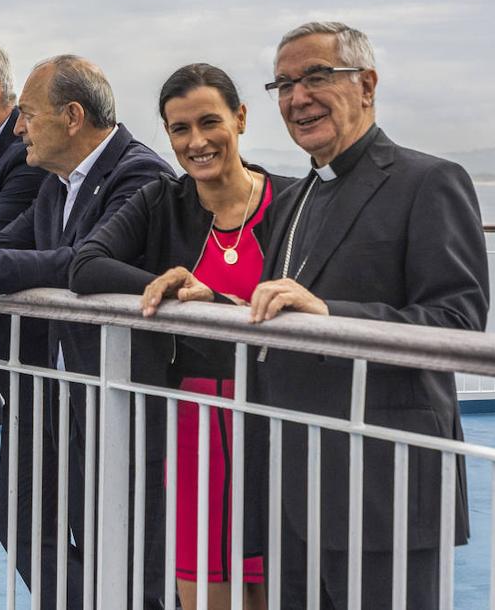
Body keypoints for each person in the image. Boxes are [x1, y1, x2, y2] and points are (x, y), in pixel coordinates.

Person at [0, 54, 174, 607]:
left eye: (27, 114)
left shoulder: (138, 174)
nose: (18, 127)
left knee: (121, 550)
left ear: (72, 116)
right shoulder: (56, 184)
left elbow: (73, 260)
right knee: (22, 526)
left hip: (114, 398)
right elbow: (8, 243)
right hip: (50, 389)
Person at [239, 22, 487, 608]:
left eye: (318, 77)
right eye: (284, 84)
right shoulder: (295, 198)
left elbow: (457, 321)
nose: (298, 98)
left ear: (367, 85)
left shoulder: (428, 182)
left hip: (383, 481)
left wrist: (331, 315)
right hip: (292, 483)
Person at [69, 63, 289, 609]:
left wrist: (218, 302)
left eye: (209, 122)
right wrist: (165, 287)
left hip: (280, 414)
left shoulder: (291, 201)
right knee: (203, 587)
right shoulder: (160, 202)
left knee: (279, 581)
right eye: (179, 129)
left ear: (240, 119)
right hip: (193, 423)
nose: (196, 142)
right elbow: (85, 265)